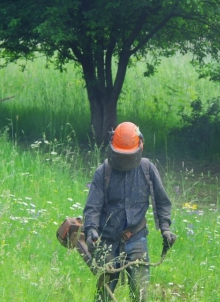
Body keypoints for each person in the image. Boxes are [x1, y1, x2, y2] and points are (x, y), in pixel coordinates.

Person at [83, 122, 177, 302]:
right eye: (121, 156)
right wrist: (91, 231)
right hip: (108, 240)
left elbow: (162, 201)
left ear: (140, 148)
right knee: (104, 295)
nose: (125, 161)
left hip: (136, 237)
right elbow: (92, 208)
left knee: (140, 294)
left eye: (128, 156)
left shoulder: (147, 169)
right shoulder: (103, 172)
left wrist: (165, 229)